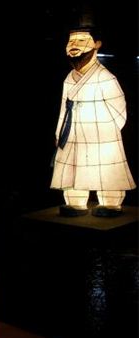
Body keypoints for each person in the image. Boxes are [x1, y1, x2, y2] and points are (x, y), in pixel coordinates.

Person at [51, 12, 135, 216]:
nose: (74, 45)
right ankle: (76, 202)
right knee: (73, 170)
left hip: (102, 136)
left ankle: (110, 202)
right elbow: (63, 108)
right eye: (71, 41)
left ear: (97, 44)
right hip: (72, 134)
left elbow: (119, 109)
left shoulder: (106, 78)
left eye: (81, 40)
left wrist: (107, 130)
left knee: (107, 170)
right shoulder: (69, 78)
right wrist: (59, 131)